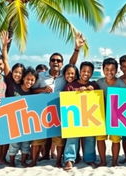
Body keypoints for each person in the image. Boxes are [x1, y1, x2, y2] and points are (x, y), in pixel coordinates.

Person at [29, 33, 85, 167]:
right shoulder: (40, 76)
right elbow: (30, 90)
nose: (56, 62)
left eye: (59, 61)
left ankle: (58, 161)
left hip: (60, 112)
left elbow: (72, 65)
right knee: (38, 139)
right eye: (53, 60)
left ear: (61, 64)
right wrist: (42, 90)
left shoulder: (64, 76)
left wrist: (76, 49)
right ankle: (34, 161)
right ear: (49, 62)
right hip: (42, 112)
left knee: (59, 139)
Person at [63, 61, 98, 170]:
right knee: (72, 137)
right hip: (74, 117)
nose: (86, 73)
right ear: (80, 71)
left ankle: (90, 159)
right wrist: (77, 91)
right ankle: (69, 159)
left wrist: (92, 91)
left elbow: (99, 100)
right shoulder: (70, 85)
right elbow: (65, 99)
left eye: (89, 72)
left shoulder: (94, 85)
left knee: (90, 138)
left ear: (92, 73)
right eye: (83, 71)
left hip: (89, 117)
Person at [0, 31, 26, 164]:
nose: (17, 75)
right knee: (6, 139)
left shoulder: (24, 85)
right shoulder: (9, 79)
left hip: (21, 117)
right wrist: (4, 46)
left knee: (18, 141)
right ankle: (3, 159)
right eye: (15, 72)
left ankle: (19, 158)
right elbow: (5, 60)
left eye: (20, 73)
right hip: (8, 114)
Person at [96, 58, 126, 166]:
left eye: (112, 69)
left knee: (116, 139)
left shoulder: (121, 83)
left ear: (117, 70)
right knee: (100, 138)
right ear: (103, 70)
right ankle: (103, 161)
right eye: (107, 69)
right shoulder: (99, 82)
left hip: (116, 116)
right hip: (101, 115)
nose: (110, 72)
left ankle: (114, 161)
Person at [8, 67, 38, 167]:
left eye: (32, 80)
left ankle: (23, 161)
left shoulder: (32, 92)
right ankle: (12, 161)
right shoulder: (15, 88)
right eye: (27, 79)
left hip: (27, 121)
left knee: (26, 143)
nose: (29, 81)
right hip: (15, 120)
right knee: (14, 143)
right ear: (23, 78)